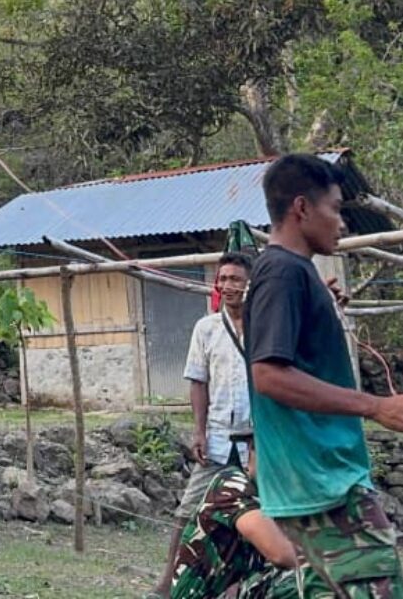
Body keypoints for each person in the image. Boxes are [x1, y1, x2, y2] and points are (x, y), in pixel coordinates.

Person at [245, 153, 403, 597]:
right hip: (325, 485)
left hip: (316, 481)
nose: (343, 223)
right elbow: (269, 376)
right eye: (335, 209)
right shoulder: (281, 272)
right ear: (301, 208)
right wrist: (376, 405)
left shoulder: (295, 273)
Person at [151, 251, 254, 598]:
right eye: (222, 279)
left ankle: (244, 585)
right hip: (218, 438)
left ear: (250, 283)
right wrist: (198, 431)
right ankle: (167, 583)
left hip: (260, 442)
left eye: (235, 279)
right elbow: (198, 381)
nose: (227, 286)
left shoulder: (267, 325)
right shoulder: (206, 328)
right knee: (190, 510)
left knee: (261, 511)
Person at [169, 427, 299, 599]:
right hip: (203, 595)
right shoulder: (231, 483)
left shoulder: (279, 499)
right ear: (252, 450)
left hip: (238, 590)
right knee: (308, 577)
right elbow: (281, 555)